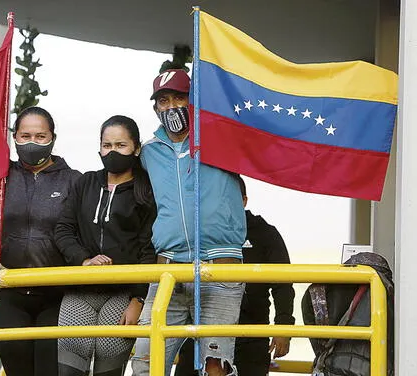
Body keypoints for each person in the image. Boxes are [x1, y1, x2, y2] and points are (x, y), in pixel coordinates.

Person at [130, 69, 247, 376]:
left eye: (179, 97)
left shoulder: (222, 137)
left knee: (215, 367)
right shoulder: (149, 152)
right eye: (163, 100)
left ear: (194, 100)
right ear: (155, 108)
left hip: (219, 267)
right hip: (169, 269)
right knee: (145, 361)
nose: (171, 107)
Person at [54, 115, 157, 376]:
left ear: (136, 148)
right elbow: (64, 230)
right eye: (107, 145)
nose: (112, 152)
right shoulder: (85, 183)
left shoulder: (146, 191)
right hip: (80, 291)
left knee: (108, 367)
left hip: (122, 295)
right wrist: (84, 260)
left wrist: (138, 299)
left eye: (121, 145)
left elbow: (149, 248)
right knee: (69, 368)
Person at [175, 176, 295, 376]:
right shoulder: (195, 233)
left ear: (244, 201)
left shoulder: (265, 233)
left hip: (251, 336)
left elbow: (283, 285)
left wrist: (284, 328)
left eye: (229, 197)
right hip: (199, 334)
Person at [0, 106, 81, 376]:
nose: (32, 142)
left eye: (40, 136)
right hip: (9, 292)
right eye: (25, 135)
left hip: (56, 296)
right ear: (14, 137)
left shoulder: (74, 180)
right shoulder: (0, 177)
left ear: (53, 138)